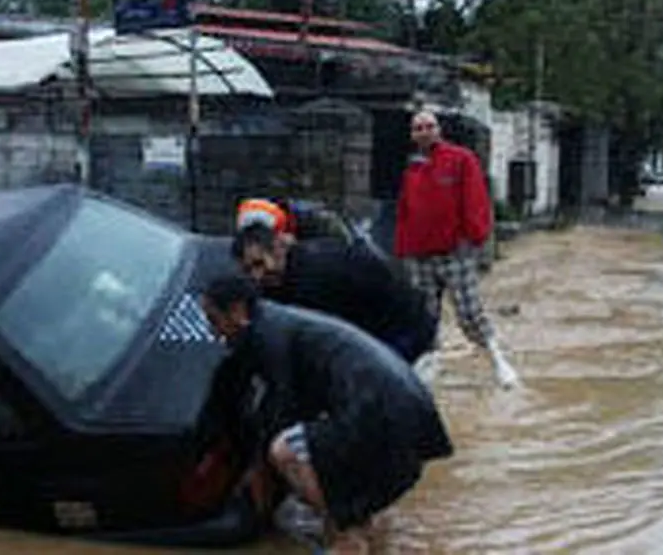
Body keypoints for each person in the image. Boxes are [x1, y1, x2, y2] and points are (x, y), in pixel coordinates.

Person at [200, 274, 454, 549]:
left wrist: (258, 469)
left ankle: (345, 533)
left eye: (214, 320)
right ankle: (358, 527)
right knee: (320, 455)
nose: (214, 332)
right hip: (407, 406)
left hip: (381, 410)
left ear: (237, 311)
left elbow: (283, 409)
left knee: (285, 451)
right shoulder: (279, 321)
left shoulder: (268, 335)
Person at [394, 110, 520, 389]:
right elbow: (405, 210)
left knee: (468, 311)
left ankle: (499, 361)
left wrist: (477, 240)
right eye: (418, 128)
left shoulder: (460, 159)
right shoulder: (412, 168)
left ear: (438, 130)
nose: (424, 132)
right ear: (412, 135)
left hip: (454, 250)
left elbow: (475, 200)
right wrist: (402, 248)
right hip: (418, 253)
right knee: (423, 314)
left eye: (429, 126)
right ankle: (430, 366)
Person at [231, 222, 438, 368]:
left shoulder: (316, 275)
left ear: (278, 250)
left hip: (402, 330)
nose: (256, 276)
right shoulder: (278, 283)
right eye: (248, 270)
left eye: (259, 264)